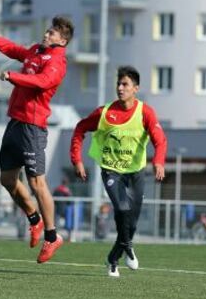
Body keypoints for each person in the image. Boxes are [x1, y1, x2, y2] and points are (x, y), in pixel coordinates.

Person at [0, 16, 74, 263]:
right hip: (15, 122)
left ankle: (52, 235)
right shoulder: (36, 50)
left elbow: (43, 82)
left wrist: (13, 77)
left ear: (63, 41)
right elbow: (17, 51)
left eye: (53, 33)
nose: (47, 35)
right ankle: (33, 219)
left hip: (33, 127)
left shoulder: (58, 61)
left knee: (37, 184)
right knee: (7, 179)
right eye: (47, 31)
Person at [70, 66, 167, 277]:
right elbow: (80, 128)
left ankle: (113, 258)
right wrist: (76, 159)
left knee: (131, 221)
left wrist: (158, 162)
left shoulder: (145, 112)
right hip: (112, 171)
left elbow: (160, 140)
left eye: (125, 85)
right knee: (122, 209)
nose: (120, 88)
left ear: (136, 89)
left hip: (136, 173)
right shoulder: (104, 112)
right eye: (119, 84)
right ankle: (128, 247)